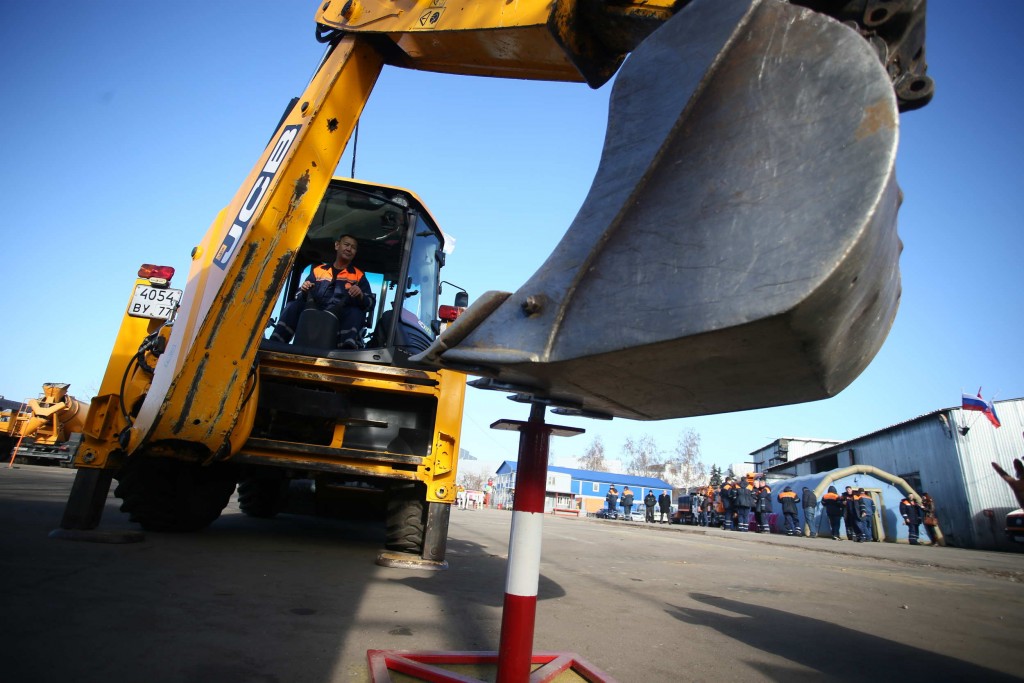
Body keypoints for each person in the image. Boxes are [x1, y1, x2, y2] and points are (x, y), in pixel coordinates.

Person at [270, 234, 372, 347]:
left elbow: (370, 303)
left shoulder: (359, 275)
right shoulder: (318, 271)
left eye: (353, 247)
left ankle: (347, 346)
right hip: (315, 309)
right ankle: (276, 342)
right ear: (337, 245)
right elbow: (298, 294)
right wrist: (304, 290)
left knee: (355, 312)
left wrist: (360, 295)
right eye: (346, 245)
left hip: (341, 315)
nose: (349, 249)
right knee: (293, 305)